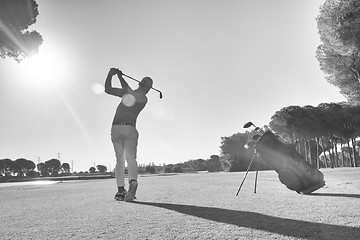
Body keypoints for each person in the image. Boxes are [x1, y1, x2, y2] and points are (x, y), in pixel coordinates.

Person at [104, 68, 153, 202]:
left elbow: (130, 93)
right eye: (144, 81)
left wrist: (120, 77)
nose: (144, 85)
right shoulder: (129, 92)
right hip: (117, 129)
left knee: (128, 158)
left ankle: (131, 184)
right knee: (121, 160)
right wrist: (110, 75)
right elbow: (107, 89)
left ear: (149, 89)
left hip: (127, 128)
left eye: (147, 84)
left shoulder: (143, 98)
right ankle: (121, 190)